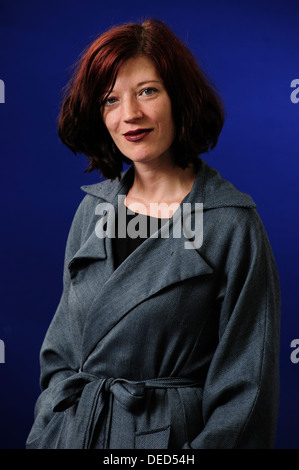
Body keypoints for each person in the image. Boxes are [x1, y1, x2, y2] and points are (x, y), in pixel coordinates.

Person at [26, 18, 280, 449]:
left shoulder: (231, 223)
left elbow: (247, 395)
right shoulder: (93, 209)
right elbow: (59, 358)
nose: (130, 115)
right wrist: (50, 431)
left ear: (179, 96)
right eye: (110, 100)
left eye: (147, 91)